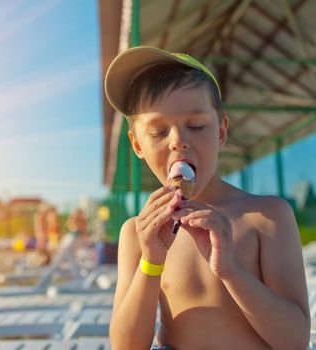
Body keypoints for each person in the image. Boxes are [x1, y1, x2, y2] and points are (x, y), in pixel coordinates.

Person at [104, 46, 310, 349]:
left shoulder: (266, 216)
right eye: (159, 132)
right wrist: (151, 262)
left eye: (196, 126)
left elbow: (295, 341)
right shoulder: (137, 233)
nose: (179, 142)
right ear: (137, 145)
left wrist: (231, 271)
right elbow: (126, 345)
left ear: (221, 131)